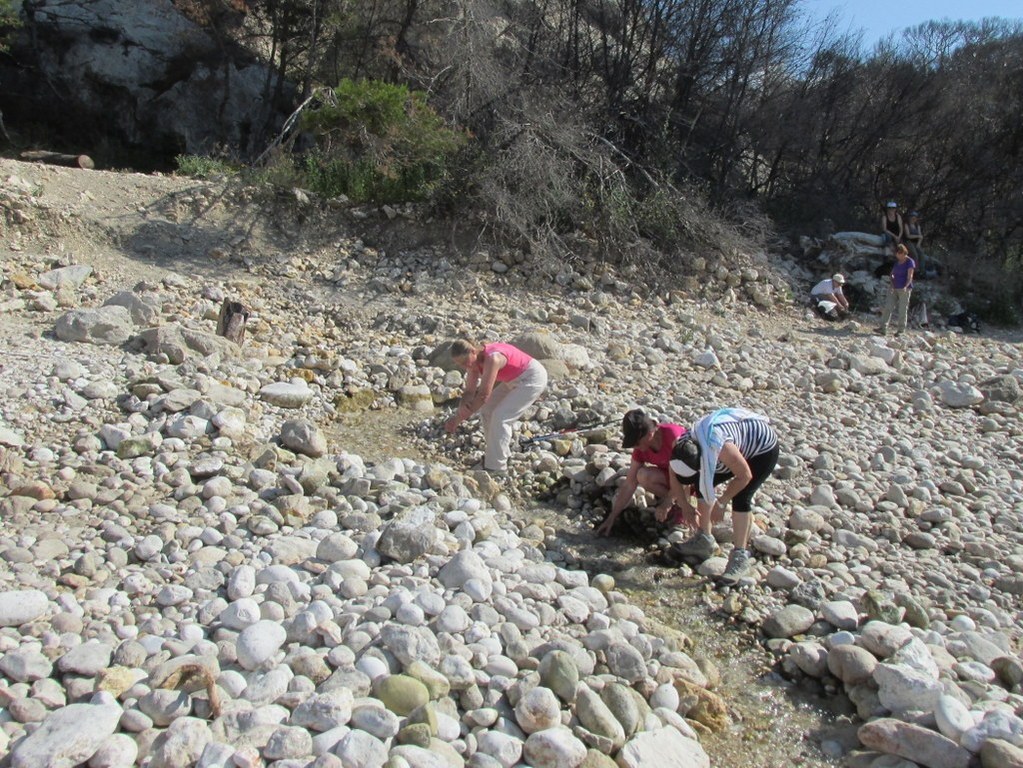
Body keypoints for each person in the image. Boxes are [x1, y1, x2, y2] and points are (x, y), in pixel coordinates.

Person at [660, 408, 779, 585]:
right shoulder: (681, 446)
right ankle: (704, 540)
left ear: (702, 464)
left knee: (741, 497)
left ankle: (740, 557)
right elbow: (674, 476)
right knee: (702, 486)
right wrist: (684, 505)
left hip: (761, 450)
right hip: (724, 452)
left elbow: (744, 476)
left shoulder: (720, 448)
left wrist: (722, 503)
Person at [444, 338, 547, 473]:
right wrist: (460, 411)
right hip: (512, 379)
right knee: (487, 411)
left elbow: (483, 396)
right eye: (461, 365)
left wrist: (457, 420)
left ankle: (497, 468)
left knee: (501, 416)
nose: (465, 367)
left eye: (465, 362)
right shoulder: (473, 363)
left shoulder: (493, 359)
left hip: (532, 378)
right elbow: (469, 392)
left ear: (473, 351)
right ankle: (497, 454)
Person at [596, 409, 688, 536]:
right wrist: (612, 517)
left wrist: (667, 502)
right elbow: (629, 483)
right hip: (670, 477)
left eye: (636, 442)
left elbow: (687, 473)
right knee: (642, 476)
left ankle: (683, 505)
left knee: (684, 478)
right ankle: (676, 503)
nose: (635, 447)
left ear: (649, 434)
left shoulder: (673, 436)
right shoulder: (641, 448)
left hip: (690, 477)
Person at [875, 243, 915, 336]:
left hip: (904, 289)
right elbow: (892, 274)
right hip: (894, 287)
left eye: (899, 254)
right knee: (888, 307)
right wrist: (892, 284)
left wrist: (906, 286)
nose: (897, 256)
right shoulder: (897, 263)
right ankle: (883, 328)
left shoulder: (910, 262)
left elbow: (910, 276)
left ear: (902, 253)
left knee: (902, 309)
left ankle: (901, 330)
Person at [903, 211, 925, 278]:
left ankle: (922, 271)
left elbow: (921, 236)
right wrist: (917, 236)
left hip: (916, 242)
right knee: (914, 254)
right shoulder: (906, 225)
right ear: (909, 218)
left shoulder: (917, 226)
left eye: (915, 217)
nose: (913, 219)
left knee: (921, 254)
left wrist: (918, 244)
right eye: (912, 217)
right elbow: (908, 236)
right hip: (908, 242)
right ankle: (915, 271)